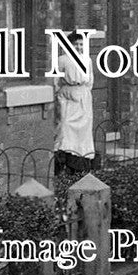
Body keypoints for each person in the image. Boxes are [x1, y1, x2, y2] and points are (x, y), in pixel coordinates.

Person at [54, 32, 95, 175]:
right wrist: (63, 94)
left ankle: (80, 164)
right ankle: (63, 161)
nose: (78, 47)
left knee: (83, 131)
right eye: (75, 44)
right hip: (67, 95)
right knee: (65, 126)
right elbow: (56, 81)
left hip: (83, 96)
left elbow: (90, 81)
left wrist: (82, 93)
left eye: (81, 44)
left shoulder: (87, 60)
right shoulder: (62, 60)